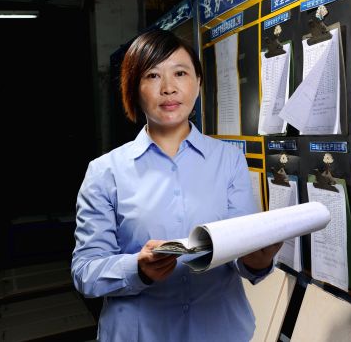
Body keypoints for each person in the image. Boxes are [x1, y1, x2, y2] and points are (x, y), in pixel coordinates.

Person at [71, 29, 281, 341]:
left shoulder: (229, 160)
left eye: (180, 73)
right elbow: (85, 272)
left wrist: (257, 260)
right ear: (134, 88)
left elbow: (240, 250)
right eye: (153, 75)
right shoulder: (105, 172)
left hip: (220, 331)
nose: (168, 88)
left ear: (198, 82)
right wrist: (137, 268)